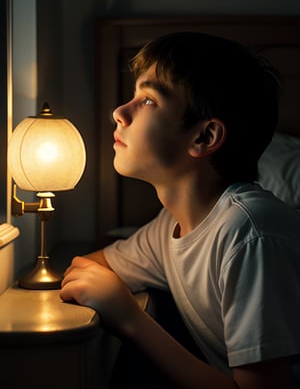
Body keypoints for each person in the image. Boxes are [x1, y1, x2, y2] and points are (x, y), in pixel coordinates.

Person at [60, 32, 300, 389]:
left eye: (149, 100)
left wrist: (129, 319)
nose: (119, 112)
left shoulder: (250, 235)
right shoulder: (170, 227)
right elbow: (88, 268)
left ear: (204, 137)